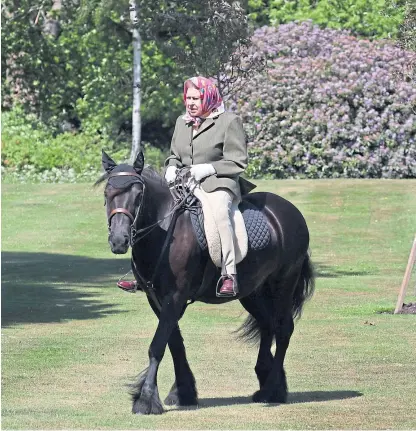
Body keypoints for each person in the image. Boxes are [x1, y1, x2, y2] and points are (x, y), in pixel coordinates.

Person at [118, 76, 249, 296]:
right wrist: (170, 166)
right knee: (151, 209)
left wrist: (209, 168)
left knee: (219, 214)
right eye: (188, 98)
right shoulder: (182, 121)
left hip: (217, 182)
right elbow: (175, 155)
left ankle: (229, 274)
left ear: (207, 97)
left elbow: (238, 161)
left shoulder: (229, 121)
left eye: (196, 98)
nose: (190, 103)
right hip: (184, 182)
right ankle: (142, 274)